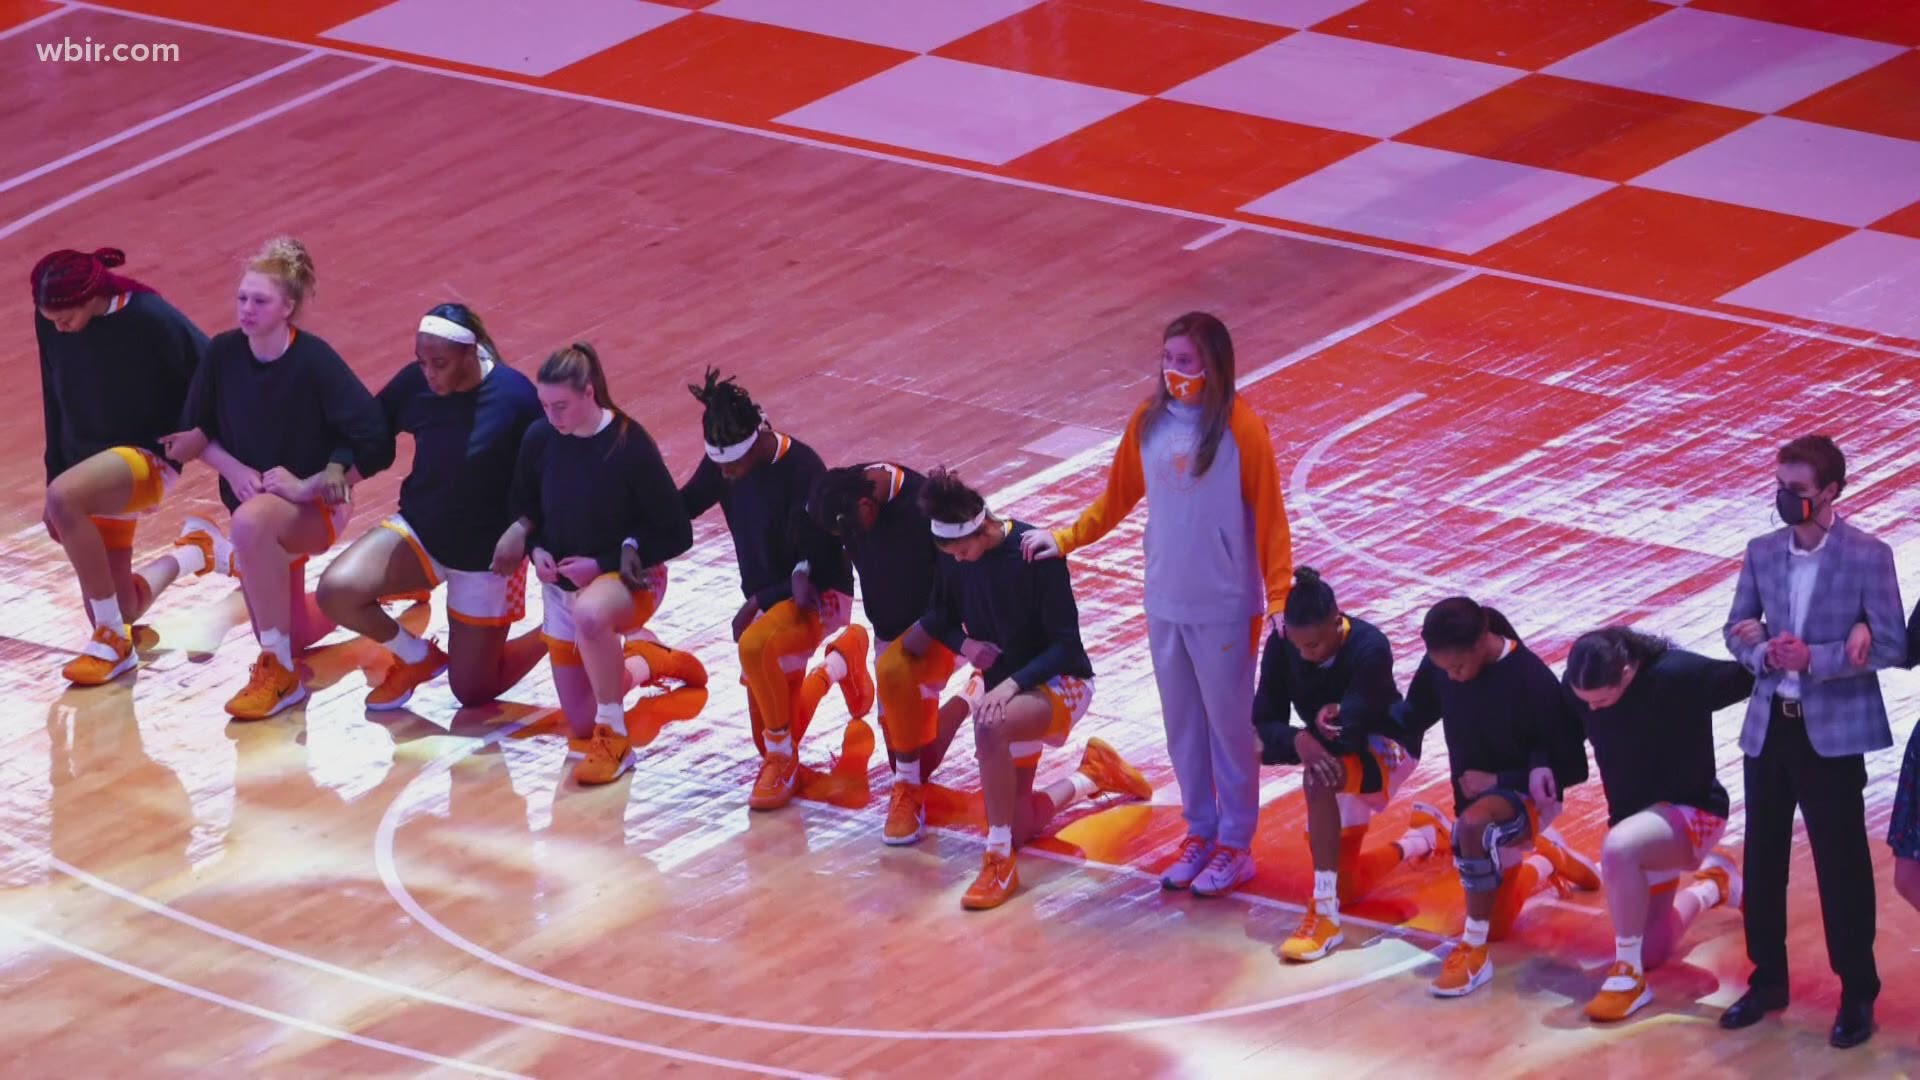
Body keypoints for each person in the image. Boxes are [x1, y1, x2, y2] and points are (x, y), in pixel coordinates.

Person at [1024, 312, 1290, 899]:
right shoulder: (1147, 422)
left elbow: (1271, 517)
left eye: (1186, 362)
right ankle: (1200, 832)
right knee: (1183, 728)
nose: (1174, 372)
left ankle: (1236, 845)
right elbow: (1116, 495)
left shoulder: (1244, 430)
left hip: (1225, 604)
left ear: (1214, 364)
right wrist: (1064, 538)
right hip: (1164, 599)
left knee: (1229, 729)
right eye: (1168, 359)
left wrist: (1279, 596)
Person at [1719, 435, 1906, 1049]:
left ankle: (1858, 993)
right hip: (1770, 726)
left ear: (1829, 493)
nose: (1784, 498)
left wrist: (1816, 657)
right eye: (1780, 485)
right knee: (1764, 861)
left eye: (1797, 490)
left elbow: (1891, 645)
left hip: (1830, 734)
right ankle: (1767, 978)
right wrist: (1761, 650)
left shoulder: (1868, 555)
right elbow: (1737, 628)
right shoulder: (1761, 551)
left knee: (1843, 868)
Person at [161, 238, 393, 720]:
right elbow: (195, 433)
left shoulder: (315, 361)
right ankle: (373, 588)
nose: (246, 309)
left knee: (248, 525)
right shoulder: (224, 353)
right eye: (242, 298)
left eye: (259, 300)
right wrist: (234, 469)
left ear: (288, 307)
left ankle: (277, 670)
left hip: (315, 508)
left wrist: (309, 485)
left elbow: (376, 440)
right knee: (297, 628)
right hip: (257, 514)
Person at [902, 468, 1151, 910]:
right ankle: (1093, 775)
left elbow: (1066, 646)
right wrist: (966, 644)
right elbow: (940, 616)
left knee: (988, 727)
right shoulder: (951, 555)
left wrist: (1011, 685)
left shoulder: (1035, 551)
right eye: (951, 555)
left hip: (1061, 681)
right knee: (1020, 825)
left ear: (982, 528)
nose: (958, 561)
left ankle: (998, 860)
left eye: (963, 552)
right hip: (1009, 689)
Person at [316, 304, 547, 710]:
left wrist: (525, 530)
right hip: (422, 533)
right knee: (337, 591)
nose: (429, 374)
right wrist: (338, 462)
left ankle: (560, 630)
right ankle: (418, 657)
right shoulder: (416, 384)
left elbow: (549, 474)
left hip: (487, 559)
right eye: (422, 362)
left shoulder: (516, 397)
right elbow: (371, 429)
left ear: (469, 353)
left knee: (472, 692)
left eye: (439, 363)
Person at [492, 343, 698, 786]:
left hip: (628, 577)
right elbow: (524, 505)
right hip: (561, 587)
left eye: (561, 406)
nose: (552, 416)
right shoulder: (540, 438)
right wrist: (536, 550)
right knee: (578, 719)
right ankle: (647, 660)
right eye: (545, 406)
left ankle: (616, 739)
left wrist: (602, 563)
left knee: (590, 614)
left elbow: (677, 532)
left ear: (590, 394)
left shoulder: (629, 444)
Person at [32, 247, 227, 685]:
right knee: (125, 608)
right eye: (50, 321)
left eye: (65, 319)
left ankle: (112, 643)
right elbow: (53, 398)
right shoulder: (53, 321)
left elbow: (218, 371)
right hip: (86, 470)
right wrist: (54, 474)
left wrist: (201, 436)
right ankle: (198, 550)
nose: (58, 329)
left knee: (66, 499)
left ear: (91, 297)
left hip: (146, 457)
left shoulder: (151, 317)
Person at [1394, 596, 1596, 998]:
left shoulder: (1531, 678)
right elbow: (1411, 715)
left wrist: (1498, 780)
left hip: (1527, 796)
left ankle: (1472, 950)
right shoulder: (1445, 666)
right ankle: (1547, 860)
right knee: (1501, 923)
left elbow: (1572, 766)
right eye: (1443, 668)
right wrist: (1357, 719)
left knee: (1473, 828)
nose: (1450, 677)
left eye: (1457, 667)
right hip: (1474, 797)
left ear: (1482, 641)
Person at [678, 369, 858, 811]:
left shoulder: (804, 470)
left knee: (756, 647)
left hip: (817, 592)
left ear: (759, 439)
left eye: (734, 466)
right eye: (720, 466)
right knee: (772, 727)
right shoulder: (725, 463)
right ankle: (840, 664)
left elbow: (812, 568)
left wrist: (757, 602)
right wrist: (632, 533)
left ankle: (782, 761)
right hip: (767, 596)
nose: (728, 475)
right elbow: (682, 506)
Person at [1251, 567, 1445, 962]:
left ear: (1337, 620)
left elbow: (1352, 729)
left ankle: (1324, 914)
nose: (1306, 654)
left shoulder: (1370, 646)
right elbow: (1264, 719)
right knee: (1348, 884)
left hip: (1383, 743)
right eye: (1299, 645)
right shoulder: (1282, 641)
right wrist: (1298, 738)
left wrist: (1314, 734)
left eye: (1316, 645)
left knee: (1318, 779)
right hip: (1327, 742)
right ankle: (1423, 839)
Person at [1564, 627, 1755, 1021]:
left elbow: (1753, 676)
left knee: (1619, 848)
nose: (1594, 711)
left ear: (1629, 673)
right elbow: (1552, 734)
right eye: (1587, 703)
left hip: (1693, 814)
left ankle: (1627, 976)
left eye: (1602, 701)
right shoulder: (1577, 687)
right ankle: (1714, 886)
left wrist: (1764, 635)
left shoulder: (1679, 675)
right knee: (1652, 950)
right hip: (1637, 826)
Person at [808, 462, 964, 845]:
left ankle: (973, 693)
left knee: (913, 763)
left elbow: (959, 579)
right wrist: (804, 571)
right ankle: (848, 656)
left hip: (938, 630)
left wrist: (929, 630)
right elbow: (808, 531)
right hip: (888, 632)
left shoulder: (926, 503)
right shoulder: (839, 495)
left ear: (867, 503)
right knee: (907, 756)